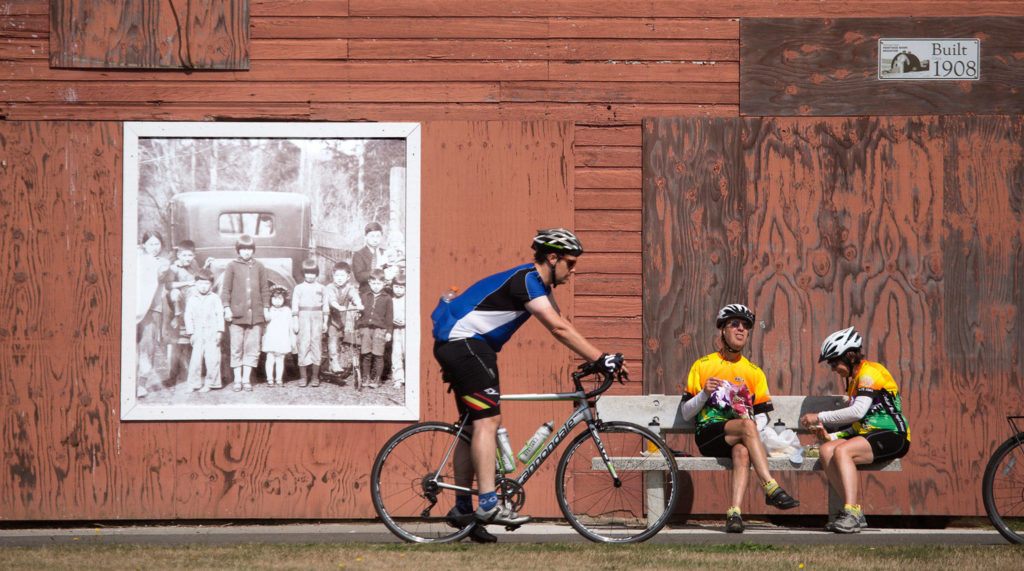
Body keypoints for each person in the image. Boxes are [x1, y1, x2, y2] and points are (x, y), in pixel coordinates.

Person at [431, 228, 627, 543]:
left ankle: (463, 510)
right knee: (488, 421)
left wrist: (594, 358)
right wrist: (602, 358)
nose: (572, 270)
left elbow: (565, 326)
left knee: (472, 429)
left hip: (458, 344)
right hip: (466, 343)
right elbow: (558, 329)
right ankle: (489, 504)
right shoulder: (527, 281)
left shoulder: (538, 286)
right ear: (553, 258)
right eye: (570, 263)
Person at [679, 304, 800, 533]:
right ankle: (770, 487)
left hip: (739, 437)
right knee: (746, 426)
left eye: (745, 326)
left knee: (743, 451)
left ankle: (734, 513)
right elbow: (686, 413)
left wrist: (751, 427)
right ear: (722, 330)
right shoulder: (703, 365)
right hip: (708, 435)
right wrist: (705, 393)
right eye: (734, 324)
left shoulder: (753, 372)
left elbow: (762, 416)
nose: (740, 329)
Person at [800, 327, 911, 534]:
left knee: (843, 451)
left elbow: (858, 412)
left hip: (893, 434)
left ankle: (850, 513)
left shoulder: (870, 373)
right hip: (869, 434)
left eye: (834, 362)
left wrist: (820, 416)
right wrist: (831, 436)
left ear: (850, 356)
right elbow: (859, 426)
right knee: (826, 451)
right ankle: (855, 513)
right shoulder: (855, 382)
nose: (833, 369)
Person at [220, 234, 269, 392]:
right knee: (236, 347)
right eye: (243, 249)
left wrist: (266, 308)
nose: (246, 252)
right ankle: (237, 380)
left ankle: (247, 379)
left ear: (253, 250)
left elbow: (264, 289)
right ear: (238, 250)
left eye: (249, 249)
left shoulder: (260, 266)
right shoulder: (231, 266)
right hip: (236, 317)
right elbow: (226, 289)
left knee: (252, 348)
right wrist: (227, 307)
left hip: (256, 317)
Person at [136, 230, 170, 397]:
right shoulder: (136, 259)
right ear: (143, 245)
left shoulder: (163, 263)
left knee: (147, 345)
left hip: (152, 308)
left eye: (157, 244)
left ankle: (141, 384)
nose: (155, 247)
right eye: (151, 244)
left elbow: (158, 274)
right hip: (134, 306)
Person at [183, 269, 224, 392]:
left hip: (212, 331)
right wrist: (191, 333)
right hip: (198, 332)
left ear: (211, 285)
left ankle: (211, 383)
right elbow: (188, 316)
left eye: (207, 284)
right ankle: (193, 384)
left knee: (212, 359)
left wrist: (219, 331)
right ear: (196, 284)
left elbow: (220, 315)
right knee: (195, 360)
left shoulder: (215, 298)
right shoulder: (192, 299)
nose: (204, 287)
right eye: (201, 283)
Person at [325, 261, 363, 383]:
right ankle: (334, 362)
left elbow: (354, 296)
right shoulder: (330, 287)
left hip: (341, 320)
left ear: (348, 277)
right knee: (332, 340)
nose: (339, 279)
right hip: (330, 319)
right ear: (333, 276)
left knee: (339, 341)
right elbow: (331, 299)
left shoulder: (349, 287)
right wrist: (337, 306)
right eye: (337, 276)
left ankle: (334, 364)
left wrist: (359, 304)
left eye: (342, 276)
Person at [356, 269, 393, 389]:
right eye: (373, 283)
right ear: (369, 283)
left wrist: (388, 332)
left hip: (380, 330)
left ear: (384, 284)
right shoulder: (364, 296)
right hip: (366, 328)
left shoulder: (387, 298)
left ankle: (377, 379)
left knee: (378, 355)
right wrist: (358, 326)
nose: (376, 286)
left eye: (379, 283)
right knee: (366, 353)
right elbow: (359, 314)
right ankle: (366, 377)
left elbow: (389, 317)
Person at [292, 257, 325, 388]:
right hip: (303, 317)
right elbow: (295, 306)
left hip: (317, 317)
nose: (310, 276)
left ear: (316, 274)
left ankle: (315, 377)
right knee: (303, 344)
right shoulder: (298, 288)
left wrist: (325, 322)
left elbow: (325, 306)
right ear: (303, 273)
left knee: (316, 344)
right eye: (307, 273)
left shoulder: (321, 288)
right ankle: (303, 377)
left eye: (313, 273)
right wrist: (295, 321)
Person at [262, 285, 295, 388]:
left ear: (284, 299)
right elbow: (264, 325)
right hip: (271, 337)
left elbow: (290, 326)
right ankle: (270, 379)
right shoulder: (268, 311)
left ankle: (279, 379)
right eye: (274, 298)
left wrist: (291, 339)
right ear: (270, 299)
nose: (277, 301)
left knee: (280, 359)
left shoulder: (287, 311)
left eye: (280, 298)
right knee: (270, 358)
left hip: (282, 338)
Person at [352, 221, 388, 294]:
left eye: (378, 236)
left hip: (385, 292)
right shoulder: (358, 254)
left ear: (381, 237)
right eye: (372, 236)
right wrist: (380, 271)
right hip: (366, 292)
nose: (375, 239)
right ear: (366, 237)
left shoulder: (385, 252)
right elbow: (359, 277)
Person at [389, 272, 407, 387]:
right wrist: (392, 320)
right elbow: (387, 315)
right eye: (396, 287)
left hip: (407, 330)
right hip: (396, 330)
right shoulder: (391, 300)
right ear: (392, 287)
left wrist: (406, 321)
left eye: (401, 287)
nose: (398, 290)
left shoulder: (409, 300)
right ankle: (398, 378)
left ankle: (411, 377)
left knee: (407, 352)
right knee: (396, 354)